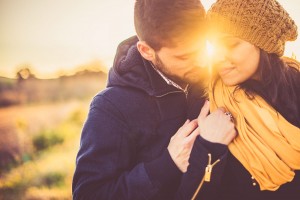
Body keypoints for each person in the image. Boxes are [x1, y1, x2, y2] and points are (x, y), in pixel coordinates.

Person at [72, 0, 236, 199]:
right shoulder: (110, 107)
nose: (202, 61)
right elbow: (88, 195)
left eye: (203, 47)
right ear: (146, 51)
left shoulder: (219, 79)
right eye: (185, 57)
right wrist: (168, 164)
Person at [190, 0, 300, 199]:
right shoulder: (207, 106)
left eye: (231, 44)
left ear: (263, 44)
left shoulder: (296, 87)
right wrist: (208, 147)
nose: (218, 56)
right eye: (213, 46)